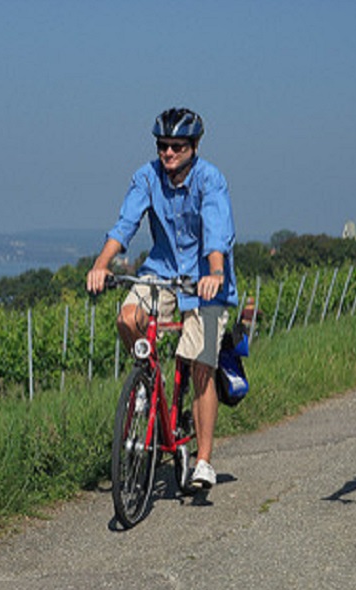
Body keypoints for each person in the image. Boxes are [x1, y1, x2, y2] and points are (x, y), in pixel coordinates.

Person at [86, 107, 237, 491]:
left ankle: (203, 460)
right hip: (161, 272)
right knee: (128, 318)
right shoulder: (146, 176)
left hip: (205, 280)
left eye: (177, 147)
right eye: (162, 146)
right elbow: (125, 225)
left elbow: (217, 232)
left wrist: (215, 273)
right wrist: (101, 264)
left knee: (201, 363)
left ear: (194, 146)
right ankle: (146, 385)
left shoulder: (210, 180)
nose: (168, 153)